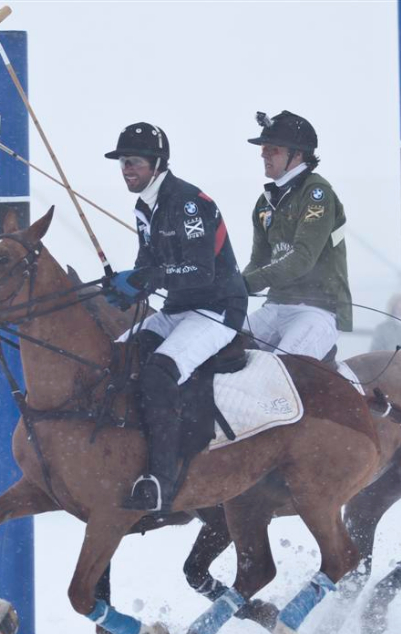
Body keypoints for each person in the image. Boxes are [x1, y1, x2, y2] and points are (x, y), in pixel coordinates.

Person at [103, 122, 247, 512]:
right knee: (114, 360)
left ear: (157, 163)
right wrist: (125, 287)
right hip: (177, 310)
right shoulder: (143, 207)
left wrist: (150, 278)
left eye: (132, 162)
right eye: (122, 162)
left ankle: (162, 480)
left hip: (216, 310)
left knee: (158, 373)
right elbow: (146, 267)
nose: (126, 169)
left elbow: (202, 272)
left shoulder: (187, 202)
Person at [241, 110, 351, 362]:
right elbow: (259, 261)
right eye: (263, 148)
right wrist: (229, 286)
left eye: (273, 149)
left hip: (318, 310)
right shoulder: (264, 202)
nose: (263, 154)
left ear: (297, 154)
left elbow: (302, 258)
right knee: (219, 347)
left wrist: (245, 285)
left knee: (279, 370)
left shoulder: (317, 193)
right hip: (275, 305)